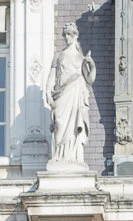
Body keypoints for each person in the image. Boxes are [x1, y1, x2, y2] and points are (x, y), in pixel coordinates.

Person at [46, 22, 96, 166]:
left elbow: (90, 79)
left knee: (74, 126)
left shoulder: (81, 58)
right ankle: (58, 155)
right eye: (65, 35)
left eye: (69, 34)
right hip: (61, 96)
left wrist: (91, 65)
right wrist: (48, 93)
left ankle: (74, 156)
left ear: (75, 36)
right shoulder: (58, 56)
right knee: (60, 125)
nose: (67, 37)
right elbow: (52, 77)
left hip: (75, 94)